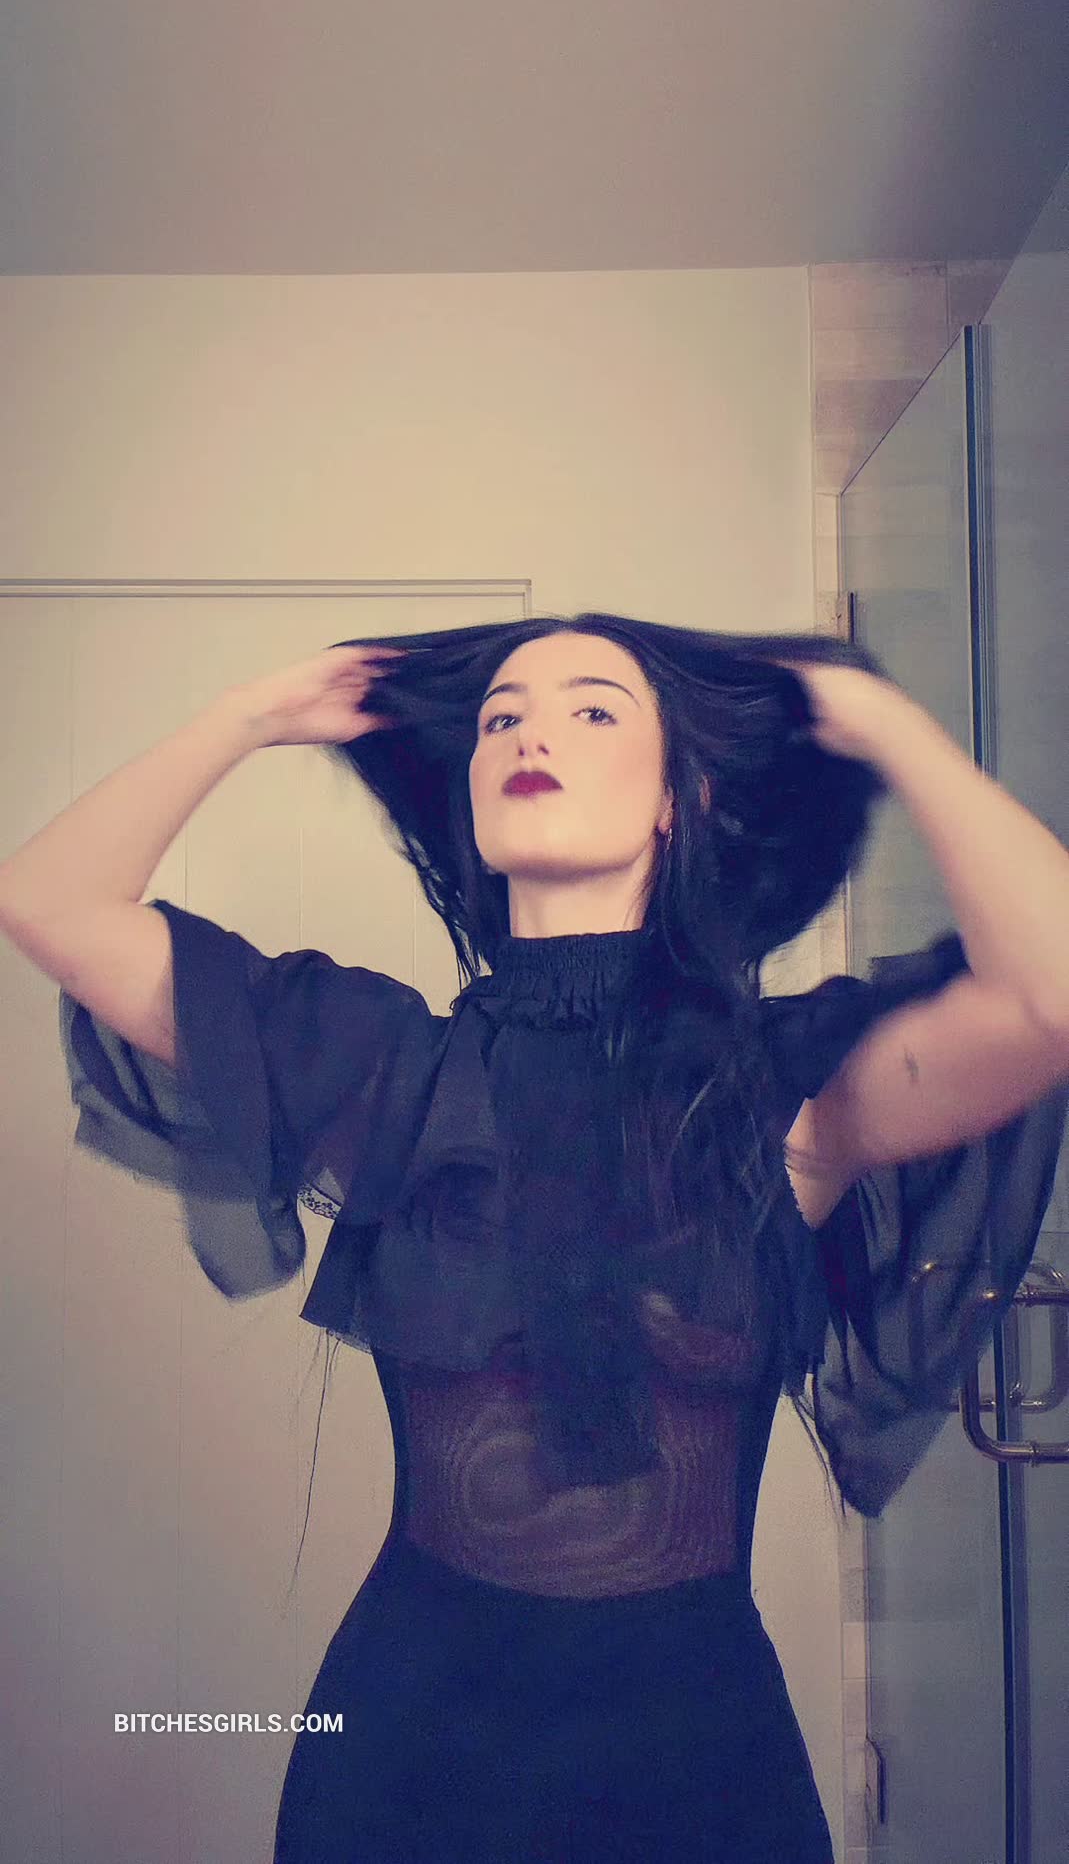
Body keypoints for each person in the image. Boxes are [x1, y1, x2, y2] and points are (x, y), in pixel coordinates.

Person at [2, 611, 1068, 1862]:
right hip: (402, 1755)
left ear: (676, 799)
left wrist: (891, 727)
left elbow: (1048, 997)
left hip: (702, 1762)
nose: (529, 734)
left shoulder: (779, 1088)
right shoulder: (391, 1071)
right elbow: (47, 899)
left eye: (592, 708)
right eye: (500, 716)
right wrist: (253, 716)